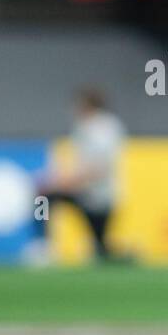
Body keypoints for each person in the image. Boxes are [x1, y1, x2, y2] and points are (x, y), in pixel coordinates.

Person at [39, 88, 126, 262]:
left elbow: (98, 169)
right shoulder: (86, 127)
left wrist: (62, 182)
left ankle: (114, 253)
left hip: (99, 198)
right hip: (87, 194)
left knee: (101, 250)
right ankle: (43, 243)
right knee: (44, 199)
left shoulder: (101, 128)